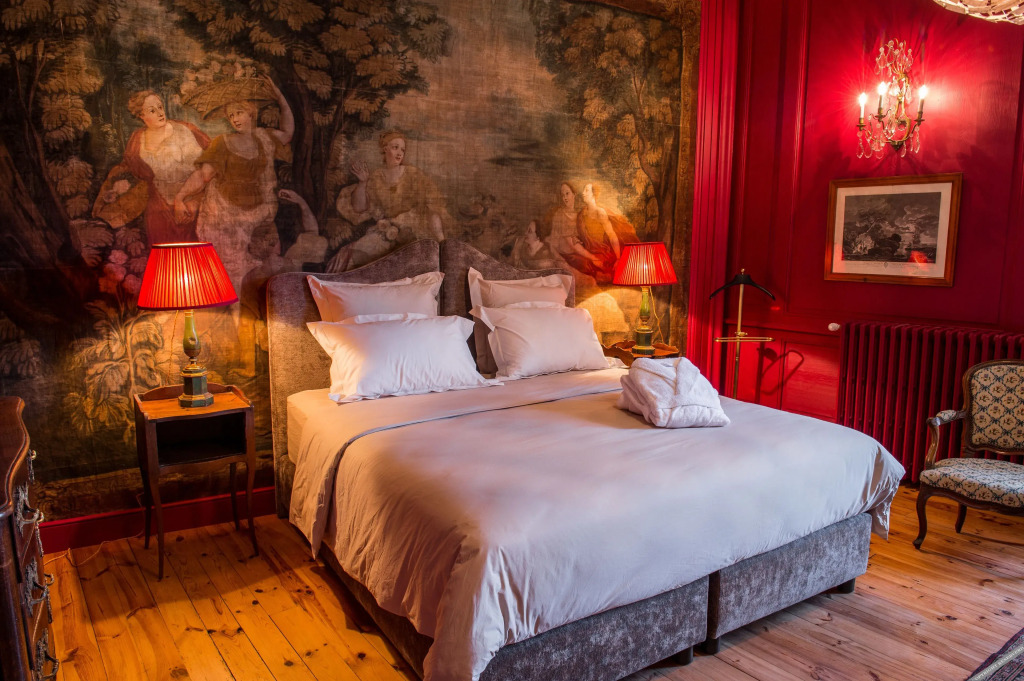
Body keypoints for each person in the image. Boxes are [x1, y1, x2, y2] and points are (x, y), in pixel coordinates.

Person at [173, 76, 294, 291]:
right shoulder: (222, 142)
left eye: (239, 113)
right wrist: (180, 197)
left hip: (259, 213)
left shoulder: (264, 138)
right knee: (231, 274)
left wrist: (280, 97)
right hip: (227, 216)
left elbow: (287, 133)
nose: (235, 119)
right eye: (231, 116)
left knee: (262, 271)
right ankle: (234, 308)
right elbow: (203, 175)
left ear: (251, 113)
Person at [93, 90, 210, 243]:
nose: (160, 113)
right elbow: (129, 169)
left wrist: (192, 202)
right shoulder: (137, 139)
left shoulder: (183, 130)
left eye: (160, 107)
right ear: (141, 115)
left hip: (190, 204)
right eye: (152, 111)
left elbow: (208, 165)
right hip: (158, 210)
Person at [335, 129, 450, 244]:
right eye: (395, 147)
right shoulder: (376, 177)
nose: (400, 153)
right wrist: (363, 183)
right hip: (388, 230)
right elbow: (359, 208)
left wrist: (441, 240)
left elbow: (432, 207)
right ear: (385, 149)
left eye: (402, 150)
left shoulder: (413, 174)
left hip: (413, 231)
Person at [563, 182, 640, 283]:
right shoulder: (581, 214)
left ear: (593, 194)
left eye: (586, 190)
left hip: (601, 251)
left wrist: (618, 258)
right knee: (573, 259)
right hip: (589, 251)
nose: (583, 193)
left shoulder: (600, 212)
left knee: (602, 266)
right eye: (583, 190)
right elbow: (579, 236)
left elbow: (611, 235)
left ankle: (603, 275)